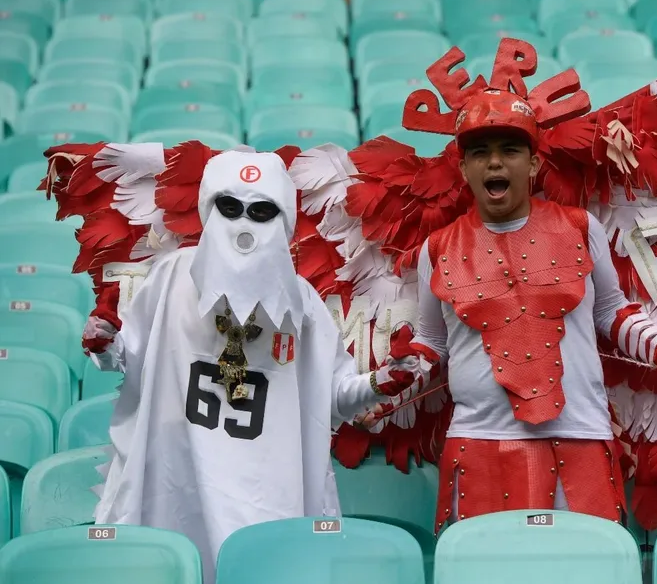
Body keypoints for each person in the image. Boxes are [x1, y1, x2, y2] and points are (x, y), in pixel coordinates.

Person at [361, 75, 657, 530]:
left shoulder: (582, 228)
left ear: (532, 164)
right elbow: (431, 343)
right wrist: (381, 387)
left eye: (509, 150)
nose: (494, 163)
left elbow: (611, 312)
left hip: (581, 437)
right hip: (479, 442)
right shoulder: (436, 249)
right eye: (480, 153)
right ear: (463, 168)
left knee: (587, 572)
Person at [84, 151, 414, 584]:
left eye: (260, 211)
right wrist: (104, 342)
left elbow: (331, 396)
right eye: (230, 207)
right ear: (209, 209)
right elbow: (129, 357)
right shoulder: (170, 278)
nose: (243, 225)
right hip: (179, 481)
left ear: (283, 219)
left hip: (266, 488)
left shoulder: (303, 306)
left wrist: (380, 381)